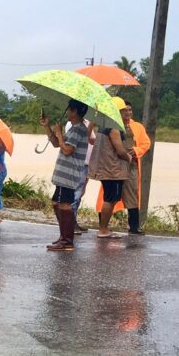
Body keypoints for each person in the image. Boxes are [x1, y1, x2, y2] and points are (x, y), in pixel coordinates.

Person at [94, 98, 152, 235]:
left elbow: (146, 143)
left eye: (129, 110)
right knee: (109, 196)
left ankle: (134, 226)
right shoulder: (112, 126)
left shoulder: (137, 126)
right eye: (124, 110)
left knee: (132, 194)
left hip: (131, 165)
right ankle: (103, 226)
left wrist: (136, 151)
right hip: (115, 166)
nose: (127, 112)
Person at [41, 100, 90, 251]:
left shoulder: (78, 129)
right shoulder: (74, 128)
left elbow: (67, 150)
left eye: (68, 109)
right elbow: (57, 144)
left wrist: (60, 134)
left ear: (74, 111)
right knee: (56, 203)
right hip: (63, 173)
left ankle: (67, 240)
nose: (67, 112)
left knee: (64, 204)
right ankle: (64, 236)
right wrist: (48, 128)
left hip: (69, 173)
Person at [88, 115, 132, 239]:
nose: (126, 114)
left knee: (109, 197)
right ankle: (103, 230)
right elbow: (119, 150)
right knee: (110, 199)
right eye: (123, 111)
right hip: (113, 170)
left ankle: (104, 228)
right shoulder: (114, 129)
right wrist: (128, 157)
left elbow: (92, 140)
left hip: (105, 169)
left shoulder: (103, 127)